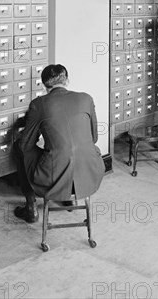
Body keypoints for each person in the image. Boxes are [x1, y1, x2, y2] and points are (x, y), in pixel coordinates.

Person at [13, 64, 105, 223]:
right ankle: (69, 198)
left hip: (52, 177)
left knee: (18, 147)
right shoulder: (86, 98)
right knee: (71, 150)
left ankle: (30, 208)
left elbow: (26, 145)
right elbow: (94, 138)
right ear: (67, 81)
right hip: (91, 172)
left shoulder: (38, 104)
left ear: (45, 86)